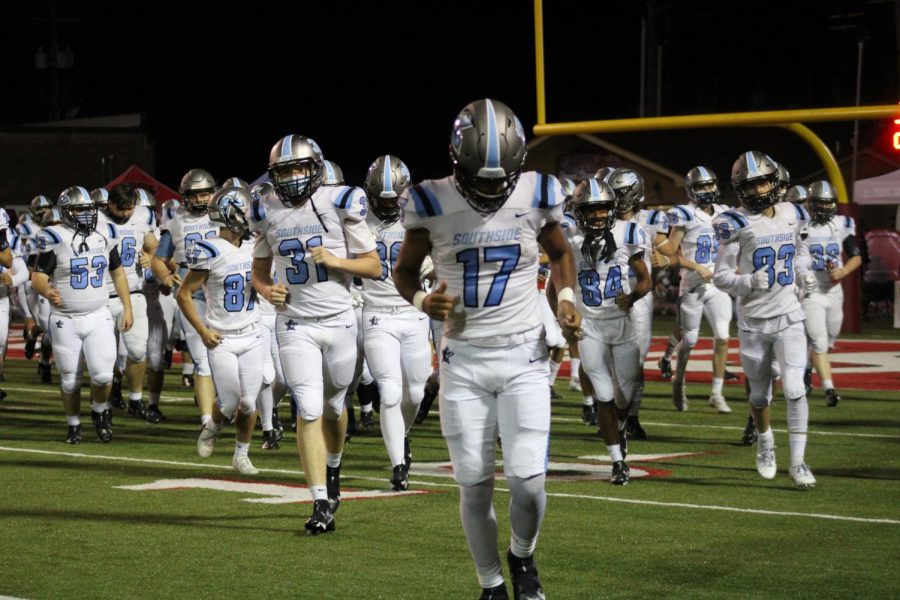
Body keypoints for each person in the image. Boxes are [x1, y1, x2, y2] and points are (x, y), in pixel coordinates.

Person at [393, 98, 580, 600]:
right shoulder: (430, 201)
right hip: (464, 361)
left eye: (503, 179)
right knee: (473, 484)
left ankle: (522, 554)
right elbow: (404, 271)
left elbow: (561, 253)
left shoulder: (538, 193)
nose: (495, 188)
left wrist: (563, 297)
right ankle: (491, 583)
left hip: (524, 356)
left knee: (529, 482)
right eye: (483, 178)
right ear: (458, 163)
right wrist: (418, 299)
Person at [250, 134, 380, 534]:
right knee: (307, 408)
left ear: (315, 168)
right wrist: (266, 289)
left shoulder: (339, 201)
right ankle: (320, 500)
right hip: (294, 323)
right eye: (282, 170)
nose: (289, 178)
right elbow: (258, 271)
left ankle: (335, 465)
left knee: (334, 405)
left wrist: (336, 259)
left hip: (340, 319)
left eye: (297, 168)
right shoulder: (265, 207)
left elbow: (373, 266)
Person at [713, 150, 816, 489]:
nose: (758, 191)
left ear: (774, 182)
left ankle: (798, 462)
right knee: (760, 396)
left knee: (797, 388)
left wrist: (804, 273)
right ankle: (765, 440)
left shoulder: (793, 213)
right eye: (750, 185)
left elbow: (800, 253)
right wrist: (747, 282)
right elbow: (720, 277)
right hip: (754, 321)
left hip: (789, 315)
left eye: (762, 183)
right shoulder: (734, 222)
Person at [565, 177, 651, 485]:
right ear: (579, 212)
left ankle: (621, 425)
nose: (598, 215)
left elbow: (645, 280)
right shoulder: (569, 239)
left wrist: (633, 297)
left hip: (622, 325)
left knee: (624, 393)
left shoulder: (629, 233)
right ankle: (617, 460)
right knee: (603, 393)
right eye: (591, 210)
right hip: (590, 326)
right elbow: (555, 286)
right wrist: (564, 315)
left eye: (603, 209)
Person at [31, 186, 133, 443]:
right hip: (65, 318)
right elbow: (38, 277)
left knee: (103, 375)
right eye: (79, 210)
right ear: (66, 212)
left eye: (88, 209)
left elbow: (118, 272)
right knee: (69, 380)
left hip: (99, 314)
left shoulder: (105, 234)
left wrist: (128, 306)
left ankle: (99, 410)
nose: (86, 215)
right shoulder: (56, 237)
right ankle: (73, 424)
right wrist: (47, 290)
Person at [179, 186, 269, 475]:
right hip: (223, 337)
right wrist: (202, 330)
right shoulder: (210, 250)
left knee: (248, 401)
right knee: (230, 401)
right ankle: (213, 424)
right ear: (230, 215)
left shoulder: (255, 244)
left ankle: (241, 454)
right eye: (243, 212)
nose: (249, 217)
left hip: (253, 332)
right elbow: (184, 294)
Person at [359, 154, 430, 491]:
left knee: (415, 393)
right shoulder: (356, 220)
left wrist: (433, 262)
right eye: (382, 199)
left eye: (393, 198)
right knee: (388, 390)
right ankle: (398, 465)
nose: (388, 205)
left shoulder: (420, 216)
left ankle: (400, 436)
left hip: (414, 312)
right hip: (376, 313)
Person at [653, 166, 733, 413]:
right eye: (701, 187)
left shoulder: (725, 212)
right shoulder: (684, 214)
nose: (707, 191)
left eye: (709, 185)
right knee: (690, 339)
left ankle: (716, 393)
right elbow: (669, 251)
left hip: (717, 284)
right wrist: (695, 266)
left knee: (722, 336)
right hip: (692, 284)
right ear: (691, 190)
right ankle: (679, 380)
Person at [151, 168, 219, 427]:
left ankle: (222, 407)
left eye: (205, 193)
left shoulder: (224, 214)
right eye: (195, 194)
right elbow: (159, 260)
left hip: (223, 295)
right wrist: (166, 277)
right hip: (194, 297)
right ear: (185, 197)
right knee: (202, 359)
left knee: (226, 359)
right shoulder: (175, 221)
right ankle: (206, 421)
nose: (201, 199)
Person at [606, 168, 668, 439]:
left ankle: (631, 416)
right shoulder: (601, 219)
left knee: (636, 362)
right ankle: (609, 413)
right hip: (608, 295)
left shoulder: (652, 219)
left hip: (639, 296)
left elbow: (670, 251)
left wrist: (666, 260)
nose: (615, 198)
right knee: (606, 360)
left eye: (620, 193)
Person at [96, 184, 158, 420]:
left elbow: (154, 244)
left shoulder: (142, 216)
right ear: (108, 204)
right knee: (104, 355)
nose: (125, 214)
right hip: (101, 296)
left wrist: (149, 258)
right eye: (120, 208)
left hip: (133, 292)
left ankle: (135, 399)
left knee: (138, 350)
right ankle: (102, 401)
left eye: (129, 208)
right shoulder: (96, 221)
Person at [797, 180, 861, 407]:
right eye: (820, 203)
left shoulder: (841, 224)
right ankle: (829, 389)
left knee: (829, 338)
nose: (824, 208)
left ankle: (806, 370)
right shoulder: (800, 226)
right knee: (819, 342)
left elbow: (856, 256)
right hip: (812, 290)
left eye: (828, 203)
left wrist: (843, 270)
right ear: (810, 204)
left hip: (835, 291)